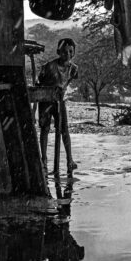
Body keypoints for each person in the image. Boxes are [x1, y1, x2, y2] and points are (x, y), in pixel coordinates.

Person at [37, 38, 78, 177]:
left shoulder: (73, 69)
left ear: (73, 53)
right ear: (58, 52)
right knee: (45, 129)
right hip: (46, 100)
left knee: (64, 130)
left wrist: (61, 91)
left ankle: (69, 160)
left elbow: (67, 83)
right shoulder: (49, 67)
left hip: (60, 101)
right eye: (64, 51)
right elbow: (39, 82)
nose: (67, 54)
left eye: (70, 51)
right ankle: (43, 161)